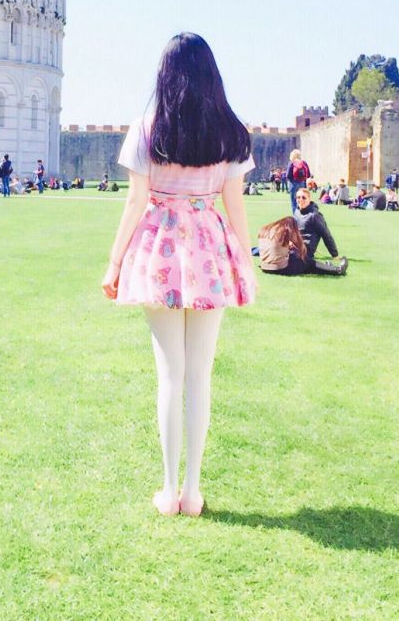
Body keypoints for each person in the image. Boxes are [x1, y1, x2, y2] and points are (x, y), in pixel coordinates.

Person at [102, 33, 257, 518]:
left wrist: (114, 262)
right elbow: (234, 204)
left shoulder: (148, 128)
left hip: (160, 249)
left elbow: (135, 201)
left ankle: (169, 491)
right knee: (199, 375)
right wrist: (246, 264)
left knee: (170, 374)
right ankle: (192, 491)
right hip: (209, 247)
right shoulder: (230, 132)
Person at [294, 188, 347, 272]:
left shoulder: (315, 216)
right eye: (298, 197)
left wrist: (334, 255)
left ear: (309, 199)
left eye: (304, 198)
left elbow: (326, 235)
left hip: (305, 252)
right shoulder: (297, 212)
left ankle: (333, 269)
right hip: (295, 247)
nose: (300, 200)